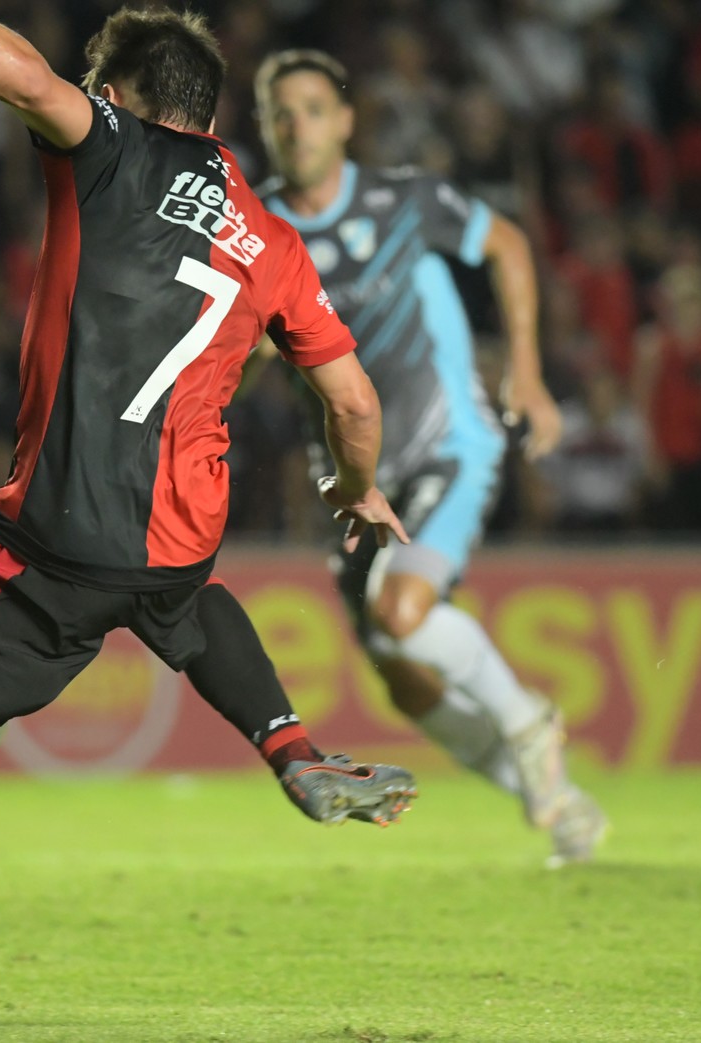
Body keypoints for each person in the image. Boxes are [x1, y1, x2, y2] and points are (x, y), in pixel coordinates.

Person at [0, 6, 413, 1041]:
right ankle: (292, 746)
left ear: (126, 94)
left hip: (52, 534)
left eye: (100, 90)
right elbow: (353, 405)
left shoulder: (111, 148)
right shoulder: (271, 238)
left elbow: (22, 80)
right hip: (177, 532)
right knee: (178, 597)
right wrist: (359, 488)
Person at [197, 49, 607, 866]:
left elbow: (510, 246)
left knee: (400, 612)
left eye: (314, 107)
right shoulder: (256, 226)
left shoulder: (406, 200)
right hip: (354, 475)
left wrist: (524, 368)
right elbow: (242, 355)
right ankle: (555, 801)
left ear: (346, 122)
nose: (297, 125)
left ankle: (529, 724)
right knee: (404, 677)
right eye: (281, 112)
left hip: (451, 440)